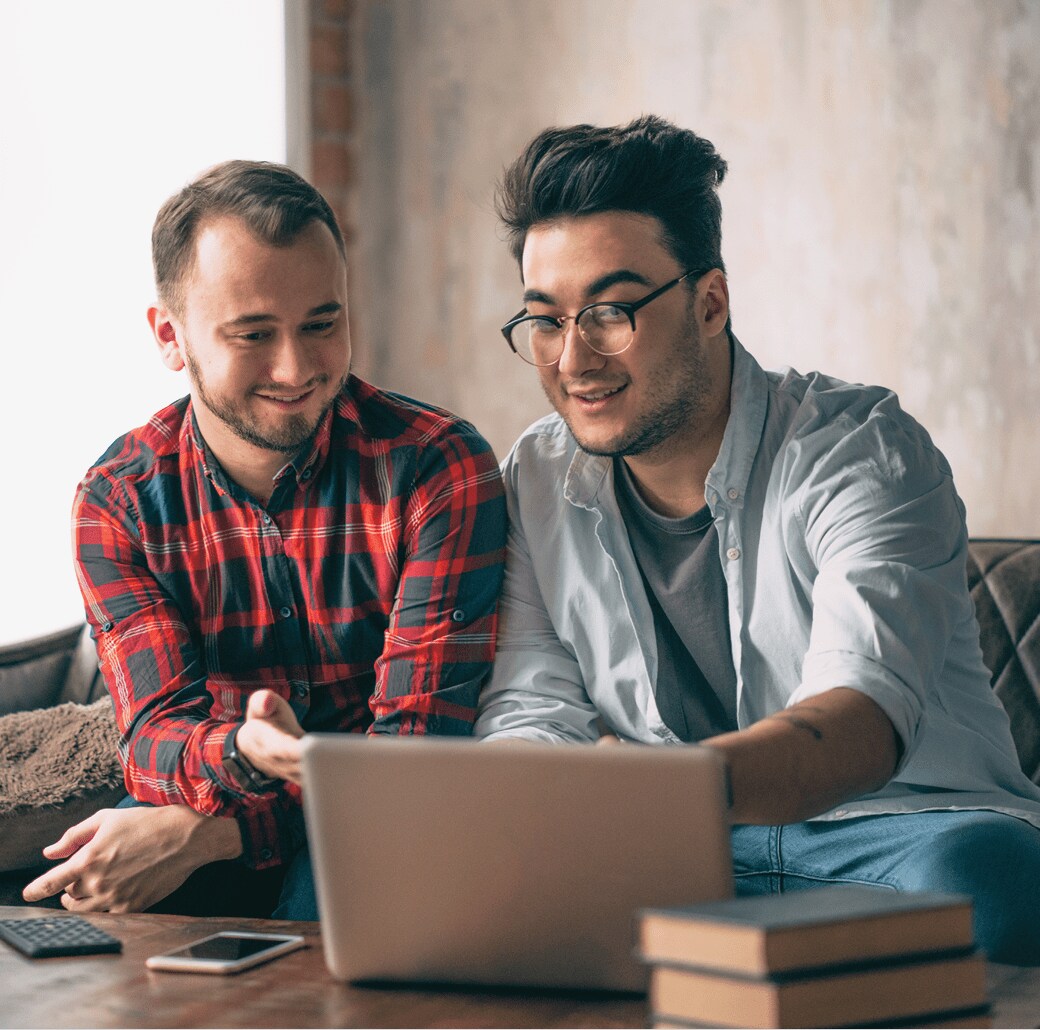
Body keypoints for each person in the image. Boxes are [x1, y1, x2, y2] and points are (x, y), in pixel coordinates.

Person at [475, 115, 1040, 963]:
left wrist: (661, 792)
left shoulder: (861, 450)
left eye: (611, 312)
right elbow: (532, 707)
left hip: (900, 836)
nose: (572, 359)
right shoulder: (536, 477)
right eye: (545, 322)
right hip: (686, 859)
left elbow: (860, 718)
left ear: (710, 302)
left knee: (987, 878)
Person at [24, 160, 506, 918]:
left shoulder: (437, 467)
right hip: (212, 787)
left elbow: (415, 762)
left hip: (373, 825)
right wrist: (244, 756)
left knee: (347, 907)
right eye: (254, 333)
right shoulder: (117, 501)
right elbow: (155, 740)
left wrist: (214, 836)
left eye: (323, 323)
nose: (298, 367)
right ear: (169, 336)